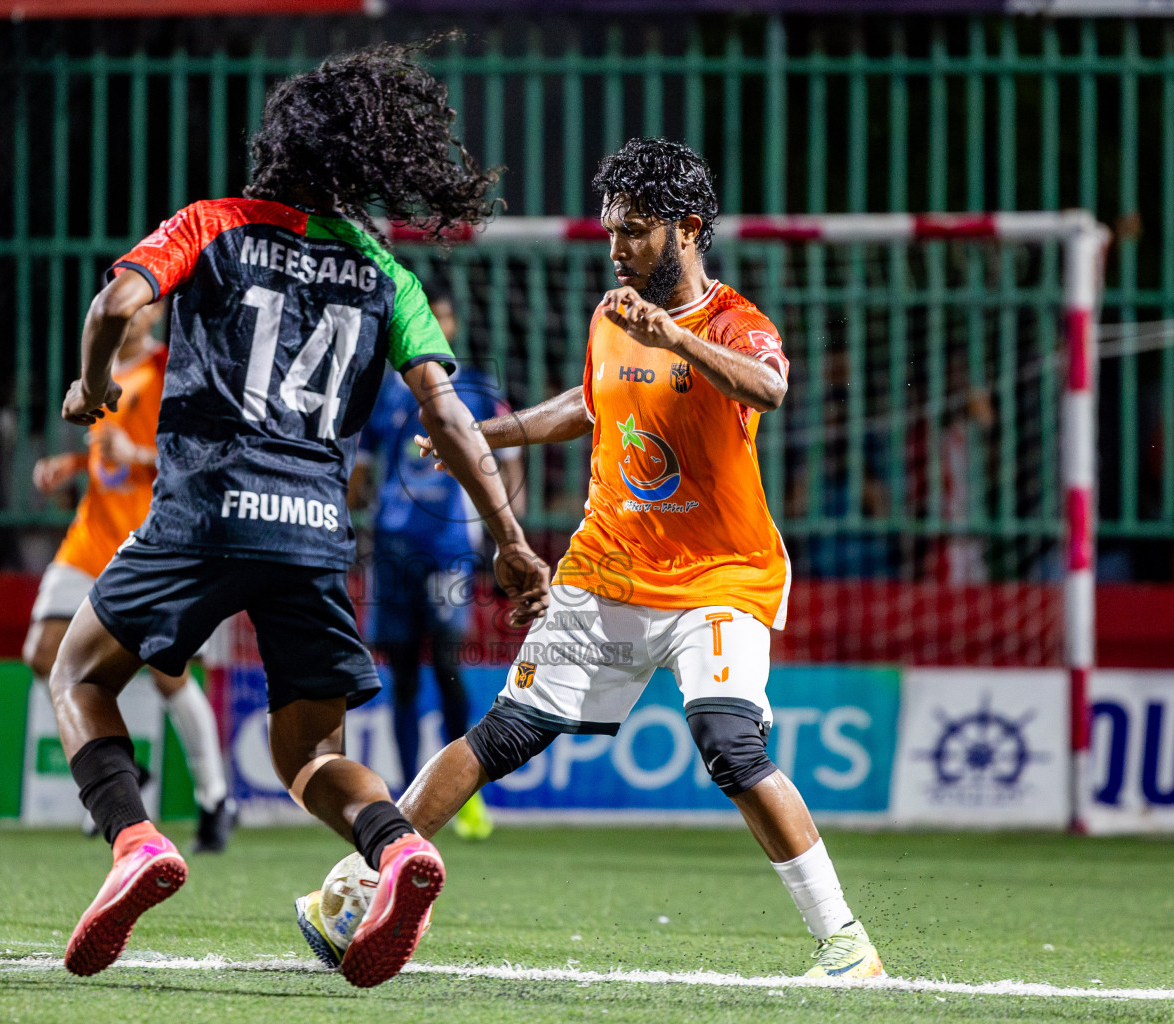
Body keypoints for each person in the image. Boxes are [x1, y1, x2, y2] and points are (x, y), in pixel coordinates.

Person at [296, 138, 885, 980]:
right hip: (608, 566)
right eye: (611, 230)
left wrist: (674, 338)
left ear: (688, 229)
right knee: (504, 730)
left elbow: (768, 387)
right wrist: (487, 433)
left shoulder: (734, 322)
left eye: (634, 231)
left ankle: (846, 944)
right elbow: (591, 402)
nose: (616, 248)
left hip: (720, 575)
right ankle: (359, 889)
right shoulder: (612, 316)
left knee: (730, 744)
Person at [46, 42, 549, 985]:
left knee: (77, 672)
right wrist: (512, 541)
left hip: (203, 513)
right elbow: (448, 415)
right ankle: (397, 846)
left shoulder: (212, 222)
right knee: (311, 755)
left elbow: (115, 303)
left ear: (275, 147)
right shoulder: (384, 270)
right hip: (313, 530)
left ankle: (134, 842)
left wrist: (92, 385)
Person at [24, 297, 234, 853]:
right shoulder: (98, 367)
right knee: (43, 653)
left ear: (155, 312)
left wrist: (138, 452)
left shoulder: (171, 367)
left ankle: (215, 799)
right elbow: (106, 455)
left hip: (151, 538)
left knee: (169, 674)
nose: (130, 310)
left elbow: (204, 455)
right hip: (91, 535)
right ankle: (121, 768)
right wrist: (71, 465)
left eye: (141, 301)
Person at [351, 285, 523, 840]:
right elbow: (363, 467)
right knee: (401, 675)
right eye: (429, 316)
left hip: (449, 548)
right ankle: (409, 795)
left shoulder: (476, 389)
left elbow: (510, 460)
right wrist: (356, 515)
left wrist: (508, 533)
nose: (436, 325)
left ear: (452, 326)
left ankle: (463, 794)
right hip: (393, 550)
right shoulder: (387, 393)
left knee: (449, 666)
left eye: (443, 316)